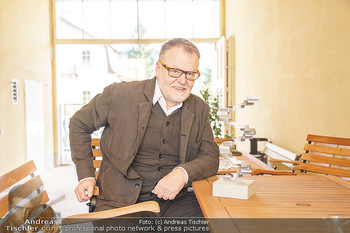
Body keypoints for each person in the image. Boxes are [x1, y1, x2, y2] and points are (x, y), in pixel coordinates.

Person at [69, 38, 219, 217]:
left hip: (177, 203)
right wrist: (86, 175)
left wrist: (182, 173)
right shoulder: (119, 94)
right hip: (118, 203)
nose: (183, 81)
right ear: (158, 69)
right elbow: (79, 123)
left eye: (190, 74)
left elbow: (210, 156)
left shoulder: (198, 107)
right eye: (175, 71)